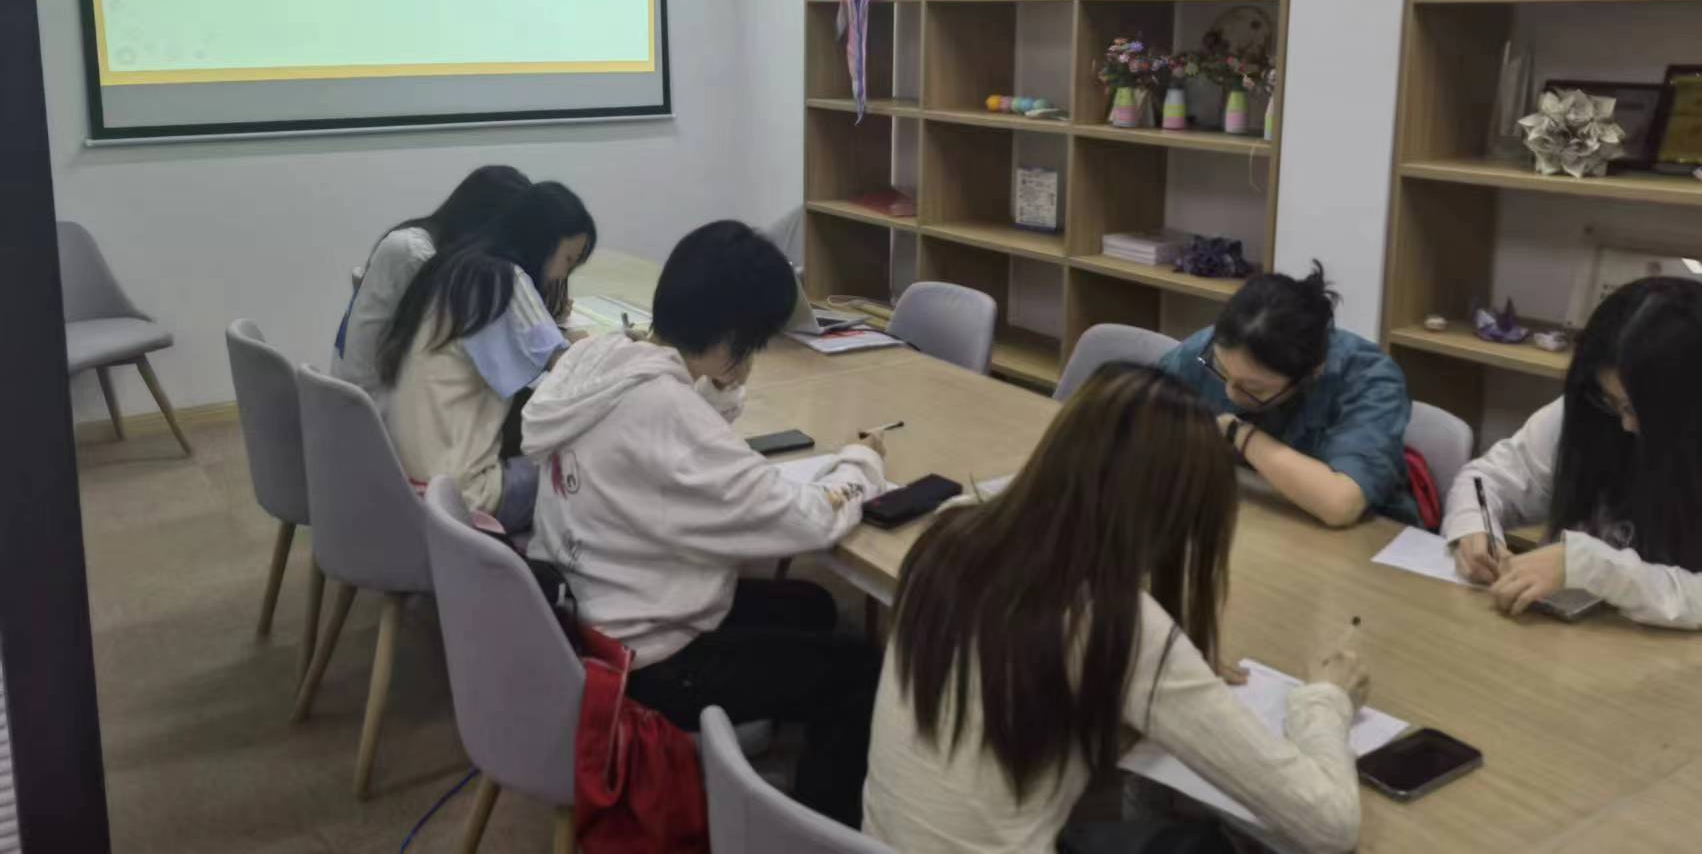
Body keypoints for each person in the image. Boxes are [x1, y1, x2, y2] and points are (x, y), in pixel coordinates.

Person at [863, 364, 1368, 854]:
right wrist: (1323, 700)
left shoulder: (950, 530)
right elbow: (1329, 825)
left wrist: (1162, 671)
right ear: (1177, 517)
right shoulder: (1117, 622)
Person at [523, 220, 887, 827]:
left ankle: (754, 769)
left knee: (812, 608)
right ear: (731, 338)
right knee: (859, 673)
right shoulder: (664, 412)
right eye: (754, 344)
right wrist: (862, 463)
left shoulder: (600, 359)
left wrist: (714, 384)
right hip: (651, 663)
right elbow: (805, 519)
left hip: (589, 613)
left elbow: (685, 449)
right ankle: (813, 826)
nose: (753, 360)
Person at [1442, 276, 1702, 628]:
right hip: (1554, 638)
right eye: (1613, 401)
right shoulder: (1592, 414)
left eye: (1637, 408)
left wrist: (1591, 567)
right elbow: (1484, 479)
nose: (1626, 424)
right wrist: (1475, 528)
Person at [377, 181, 595, 531]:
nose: (561, 276)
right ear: (544, 240)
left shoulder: (453, 266)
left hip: (404, 486)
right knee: (587, 468)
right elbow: (569, 371)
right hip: (461, 498)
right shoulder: (504, 280)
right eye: (567, 260)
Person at [1158, 263, 1416, 527]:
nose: (1230, 393)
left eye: (1253, 389)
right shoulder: (1209, 348)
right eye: (1221, 370)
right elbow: (1144, 418)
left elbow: (1340, 504)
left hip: (1365, 534)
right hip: (1251, 509)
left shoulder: (1369, 379)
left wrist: (1236, 432)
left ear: (1311, 374)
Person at [332, 164, 529, 399]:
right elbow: (471, 348)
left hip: (359, 399)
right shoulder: (415, 255)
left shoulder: (411, 240)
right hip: (377, 405)